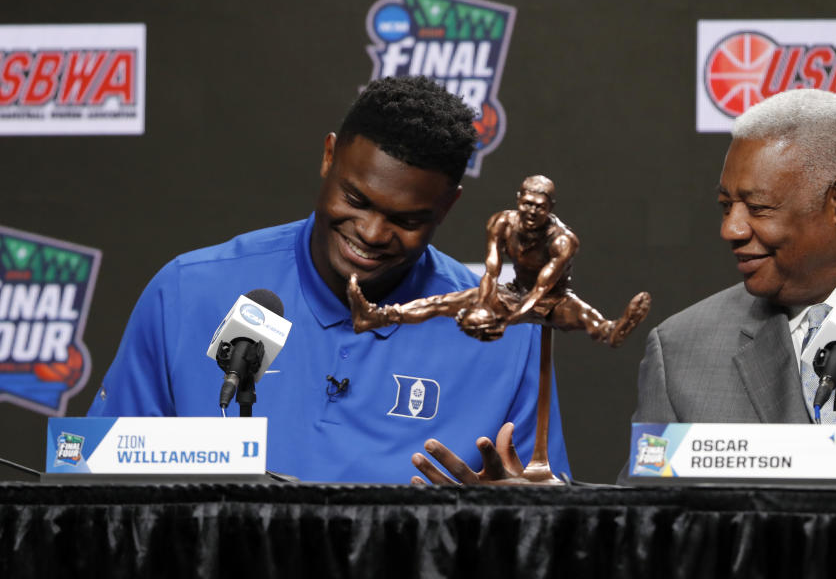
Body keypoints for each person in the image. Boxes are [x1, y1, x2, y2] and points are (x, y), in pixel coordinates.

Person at [87, 76, 570, 483]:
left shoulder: (504, 331)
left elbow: (549, 511)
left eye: (405, 220)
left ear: (447, 207)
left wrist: (515, 518)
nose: (371, 233)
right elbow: (96, 482)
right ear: (328, 157)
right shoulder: (188, 292)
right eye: (356, 200)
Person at [618, 88, 836, 486]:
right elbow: (651, 531)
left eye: (758, 208)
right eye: (726, 206)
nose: (731, 229)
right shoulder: (682, 355)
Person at [347, 175, 651, 346]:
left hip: (553, 298)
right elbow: (492, 271)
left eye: (540, 207)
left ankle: (615, 329)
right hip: (514, 290)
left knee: (592, 323)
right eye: (527, 204)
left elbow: (542, 289)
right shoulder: (502, 223)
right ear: (518, 199)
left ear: (551, 208)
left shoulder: (562, 241)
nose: (532, 211)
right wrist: (484, 304)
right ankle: (377, 316)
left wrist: (504, 321)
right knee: (442, 302)